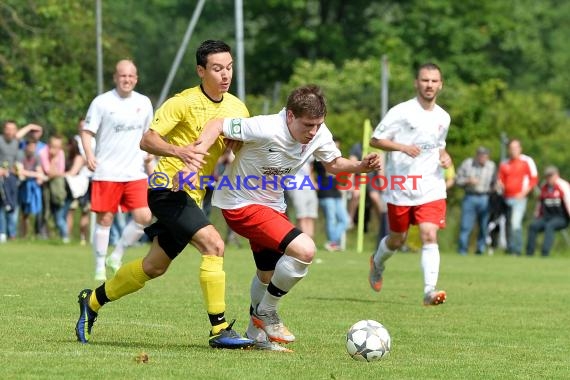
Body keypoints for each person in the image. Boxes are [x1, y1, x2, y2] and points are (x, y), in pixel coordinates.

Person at [74, 40, 254, 350]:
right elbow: (147, 140)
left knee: (154, 267)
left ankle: (92, 301)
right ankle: (219, 329)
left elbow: (236, 143)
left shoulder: (237, 107)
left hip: (193, 194)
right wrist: (178, 151)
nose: (225, 74)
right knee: (214, 244)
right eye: (217, 68)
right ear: (201, 71)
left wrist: (237, 146)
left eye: (229, 67)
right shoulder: (182, 102)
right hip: (166, 187)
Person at [196, 84, 382, 350]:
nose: (313, 132)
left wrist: (361, 166)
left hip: (272, 206)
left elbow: (333, 165)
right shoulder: (265, 127)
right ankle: (266, 312)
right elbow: (217, 123)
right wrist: (198, 150)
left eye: (318, 125)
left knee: (267, 273)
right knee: (304, 250)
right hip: (240, 203)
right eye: (308, 125)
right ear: (290, 116)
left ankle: (256, 337)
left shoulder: (318, 132)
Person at [368, 62, 452, 306]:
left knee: (428, 234)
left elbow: (440, 147)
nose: (429, 85)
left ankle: (429, 290)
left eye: (434, 81)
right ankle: (377, 262)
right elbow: (375, 139)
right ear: (417, 83)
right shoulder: (401, 111)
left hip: (431, 186)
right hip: (402, 187)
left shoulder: (443, 117)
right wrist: (402, 147)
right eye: (425, 80)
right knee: (397, 239)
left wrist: (446, 157)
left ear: (440, 85)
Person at [80, 59, 154, 280]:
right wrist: (89, 155)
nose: (127, 80)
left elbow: (149, 135)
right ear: (115, 77)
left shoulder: (144, 102)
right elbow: (87, 132)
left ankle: (117, 255)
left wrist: (152, 164)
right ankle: (99, 266)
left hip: (135, 171)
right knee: (105, 220)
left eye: (131, 76)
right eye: (123, 76)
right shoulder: (102, 102)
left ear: (136, 78)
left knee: (144, 216)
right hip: (108, 171)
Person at [497, 139, 538, 256]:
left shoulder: (527, 161)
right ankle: (510, 248)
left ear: (520, 149)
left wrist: (524, 193)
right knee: (508, 224)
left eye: (516, 148)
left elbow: (534, 179)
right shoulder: (505, 163)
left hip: (519, 198)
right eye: (511, 148)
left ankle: (517, 250)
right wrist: (499, 184)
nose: (513, 150)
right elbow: (500, 179)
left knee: (515, 223)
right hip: (506, 198)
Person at [455, 146, 496, 255]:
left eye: (485, 156)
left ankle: (480, 249)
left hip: (485, 197)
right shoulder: (468, 163)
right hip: (470, 197)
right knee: (465, 226)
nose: (483, 158)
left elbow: (494, 183)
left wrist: (497, 187)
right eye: (481, 155)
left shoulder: (491, 166)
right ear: (477, 155)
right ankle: (462, 250)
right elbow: (457, 179)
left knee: (483, 226)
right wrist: (468, 180)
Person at [314, 138, 350, 251]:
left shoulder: (337, 159)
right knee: (331, 219)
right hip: (325, 193)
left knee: (345, 220)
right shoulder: (319, 158)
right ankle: (332, 243)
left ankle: (332, 242)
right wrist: (313, 183)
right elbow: (311, 169)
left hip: (336, 193)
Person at [525, 166, 570, 257]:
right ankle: (529, 254)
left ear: (557, 175)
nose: (549, 178)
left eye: (551, 176)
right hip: (546, 217)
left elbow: (568, 202)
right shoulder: (544, 186)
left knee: (550, 226)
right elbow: (539, 203)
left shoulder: (563, 185)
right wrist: (537, 215)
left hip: (561, 218)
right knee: (533, 226)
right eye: (547, 176)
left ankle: (545, 253)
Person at [38, 135, 69, 243]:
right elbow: (48, 171)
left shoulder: (61, 153)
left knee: (59, 216)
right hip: (46, 188)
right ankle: (42, 236)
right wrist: (53, 160)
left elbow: (61, 171)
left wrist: (54, 165)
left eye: (58, 147)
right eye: (53, 146)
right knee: (45, 213)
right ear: (49, 145)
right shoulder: (42, 153)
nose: (56, 149)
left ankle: (65, 237)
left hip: (58, 190)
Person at [287, 159, 319, 238]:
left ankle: (310, 239)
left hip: (308, 185)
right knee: (302, 216)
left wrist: (313, 182)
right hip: (295, 185)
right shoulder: (289, 147)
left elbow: (310, 168)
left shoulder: (309, 148)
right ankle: (304, 240)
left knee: (311, 215)